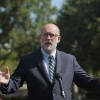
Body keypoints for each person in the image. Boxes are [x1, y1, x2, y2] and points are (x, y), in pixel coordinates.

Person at [0, 23, 100, 100]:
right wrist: (7, 83)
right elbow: (14, 84)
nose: (48, 38)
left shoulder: (70, 60)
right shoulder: (27, 60)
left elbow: (86, 82)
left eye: (52, 35)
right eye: (45, 35)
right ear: (40, 38)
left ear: (58, 39)